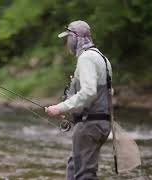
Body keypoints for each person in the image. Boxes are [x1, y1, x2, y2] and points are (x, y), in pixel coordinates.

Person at [45, 20, 112, 180]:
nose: (67, 42)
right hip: (100, 123)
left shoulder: (87, 58)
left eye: (68, 38)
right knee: (74, 167)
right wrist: (71, 108)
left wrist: (60, 108)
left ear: (76, 38)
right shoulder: (101, 57)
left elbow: (89, 93)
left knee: (83, 174)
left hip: (90, 124)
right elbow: (102, 94)